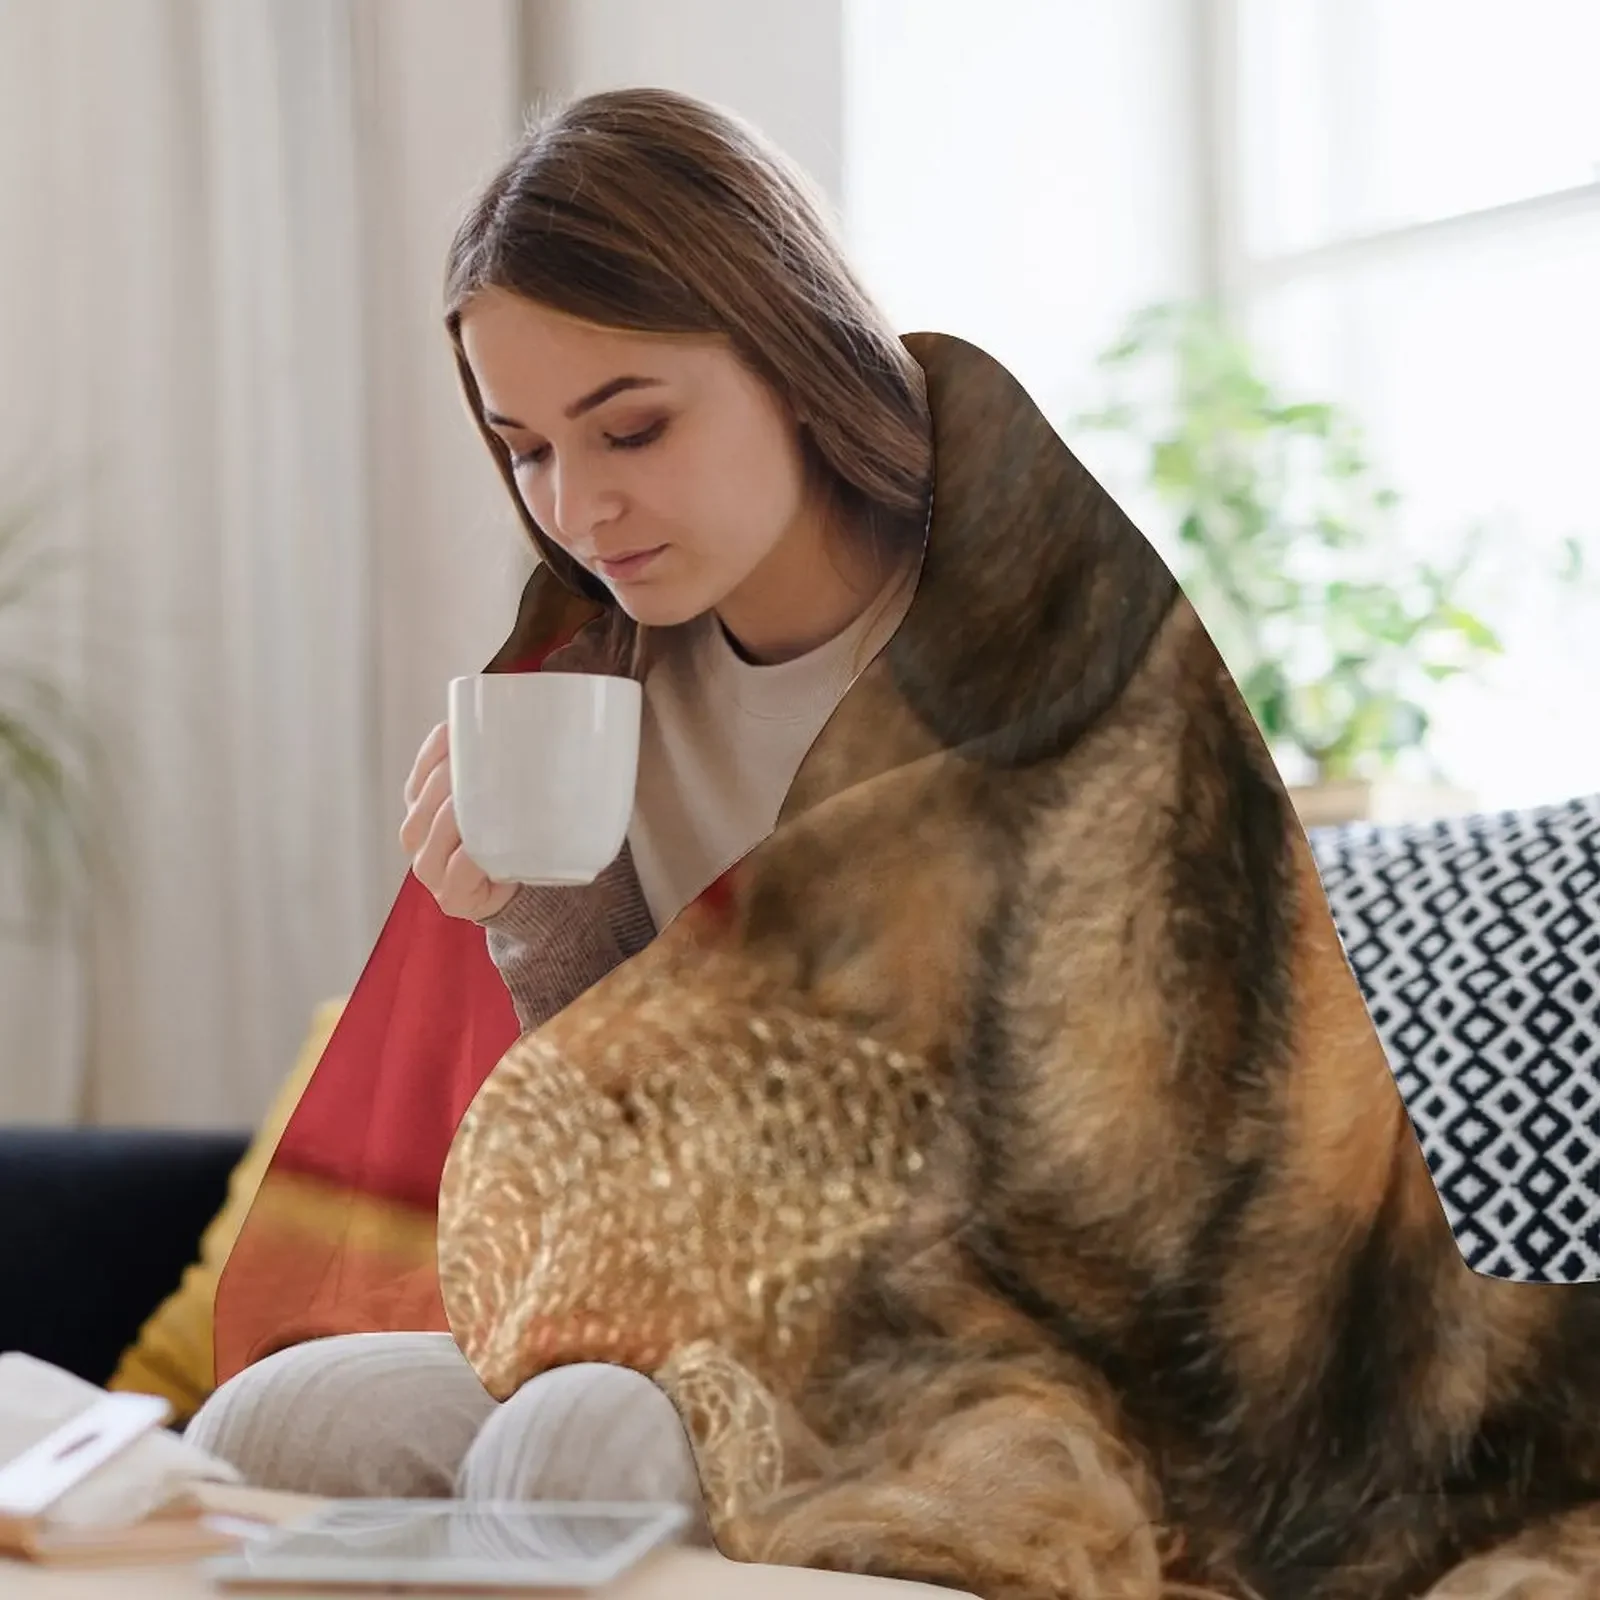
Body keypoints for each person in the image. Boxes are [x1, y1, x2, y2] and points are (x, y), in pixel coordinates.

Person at [184, 85, 932, 1520]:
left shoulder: (1015, 640)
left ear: (791, 354)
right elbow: (620, 1138)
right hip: (679, 1309)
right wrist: (532, 912)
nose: (578, 511)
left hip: (978, 1337)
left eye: (631, 429)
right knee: (265, 1422)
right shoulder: (595, 681)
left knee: (574, 1447)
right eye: (526, 450)